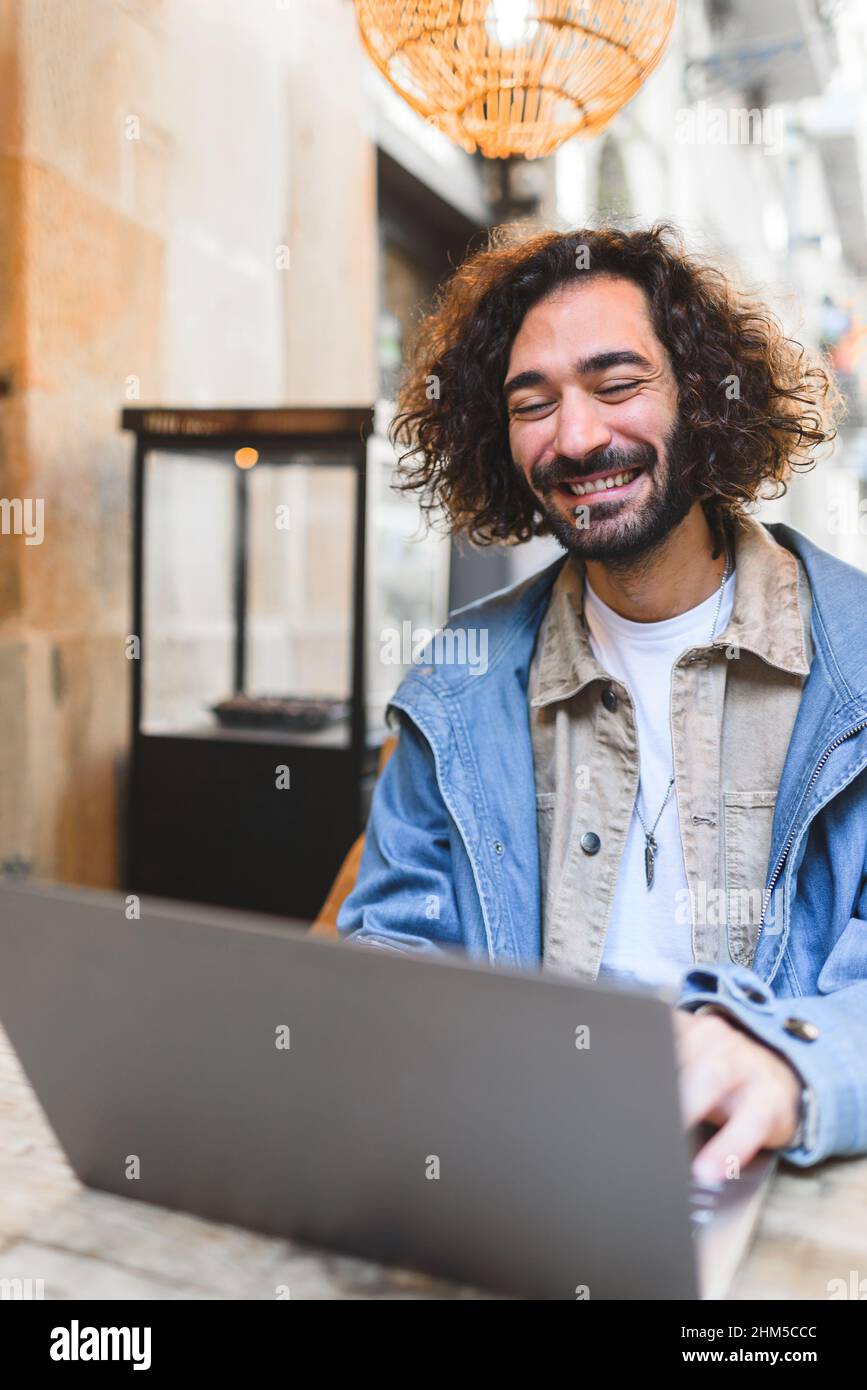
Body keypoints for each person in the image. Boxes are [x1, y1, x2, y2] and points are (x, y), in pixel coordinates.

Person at [338, 222, 867, 1184]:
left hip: (785, 1190)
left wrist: (793, 1060)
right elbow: (391, 952)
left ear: (702, 399)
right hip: (516, 1180)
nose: (576, 438)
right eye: (531, 404)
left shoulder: (856, 669)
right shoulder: (453, 685)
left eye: (617, 386)